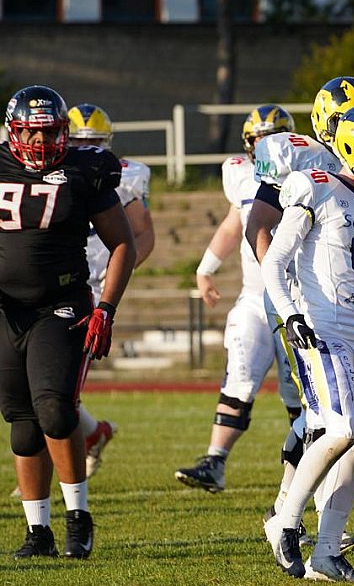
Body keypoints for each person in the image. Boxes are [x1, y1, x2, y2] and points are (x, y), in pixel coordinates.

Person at [259, 103, 354, 580]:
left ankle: (326, 553)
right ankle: (284, 523)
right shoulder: (316, 186)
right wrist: (291, 314)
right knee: (341, 429)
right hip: (322, 327)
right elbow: (274, 261)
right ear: (352, 149)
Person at [0, 85, 135, 560]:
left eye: (50, 132)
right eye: (31, 133)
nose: (40, 142)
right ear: (14, 132)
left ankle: (78, 517)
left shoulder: (84, 169)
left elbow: (123, 243)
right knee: (22, 424)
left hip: (61, 303)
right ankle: (38, 531)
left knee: (55, 409)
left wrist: (107, 307)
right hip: (6, 311)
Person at [177, 105, 303, 492]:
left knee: (298, 393)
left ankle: (308, 473)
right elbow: (235, 225)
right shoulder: (241, 175)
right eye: (258, 139)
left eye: (272, 138)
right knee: (240, 374)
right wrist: (205, 268)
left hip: (298, 299)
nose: (265, 147)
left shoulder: (307, 176)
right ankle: (214, 461)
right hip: (255, 296)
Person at [65, 104, 156, 479]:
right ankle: (94, 433)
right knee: (41, 387)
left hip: (89, 289)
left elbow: (142, 235)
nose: (86, 147)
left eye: (95, 141)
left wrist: (115, 278)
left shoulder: (122, 175)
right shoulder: (43, 171)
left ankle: (57, 478)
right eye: (77, 140)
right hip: (52, 279)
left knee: (56, 390)